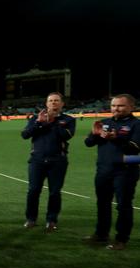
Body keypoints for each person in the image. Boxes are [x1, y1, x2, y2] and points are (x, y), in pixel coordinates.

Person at [83, 94, 140, 250]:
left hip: (126, 170)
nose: (116, 108)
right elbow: (88, 143)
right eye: (113, 105)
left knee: (123, 206)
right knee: (102, 203)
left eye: (120, 105)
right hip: (103, 169)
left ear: (131, 107)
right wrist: (94, 135)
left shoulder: (136, 124)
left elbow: (135, 148)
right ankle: (101, 234)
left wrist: (115, 138)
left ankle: (121, 240)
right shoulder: (105, 122)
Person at [21, 92, 76, 231]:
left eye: (56, 101)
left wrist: (52, 122)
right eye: (50, 101)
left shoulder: (68, 120)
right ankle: (31, 219)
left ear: (62, 104)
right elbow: (25, 135)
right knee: (33, 191)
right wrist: (39, 123)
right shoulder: (35, 118)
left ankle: (51, 220)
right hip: (36, 161)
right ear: (46, 103)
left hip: (58, 161)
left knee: (54, 192)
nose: (53, 103)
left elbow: (66, 135)